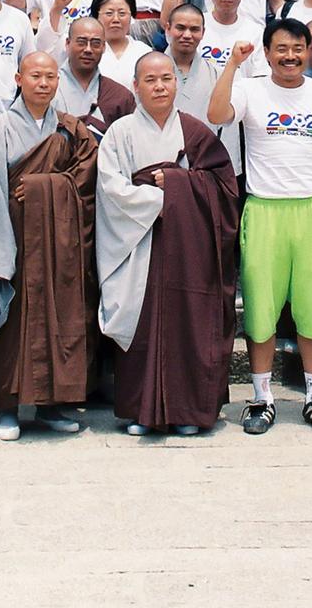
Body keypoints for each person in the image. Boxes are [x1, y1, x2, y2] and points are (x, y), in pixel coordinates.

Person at [0, 53, 100, 441]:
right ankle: (7, 409)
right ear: (19, 78)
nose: (44, 83)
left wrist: (41, 188)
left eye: (51, 76)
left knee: (59, 319)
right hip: (13, 242)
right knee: (12, 323)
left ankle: (53, 407)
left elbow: (85, 182)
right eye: (35, 75)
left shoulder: (71, 131)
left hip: (59, 246)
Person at [208, 19, 312, 436]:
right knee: (262, 313)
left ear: (308, 51)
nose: (290, 56)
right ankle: (261, 398)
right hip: (264, 210)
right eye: (281, 48)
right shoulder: (251, 89)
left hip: (310, 211)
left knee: (310, 311)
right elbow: (216, 114)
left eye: (298, 48)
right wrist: (233, 64)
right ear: (267, 53)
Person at [96, 51, 239, 436]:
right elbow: (112, 189)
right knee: (141, 325)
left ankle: (188, 412)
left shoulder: (194, 131)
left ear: (176, 84)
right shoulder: (120, 133)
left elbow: (224, 188)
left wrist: (175, 185)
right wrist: (168, 198)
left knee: (187, 325)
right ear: (135, 86)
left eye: (166, 79)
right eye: (150, 80)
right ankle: (141, 412)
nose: (159, 86)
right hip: (137, 242)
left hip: (189, 248)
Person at [52, 15, 136, 127]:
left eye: (95, 43)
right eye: (81, 42)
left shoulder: (119, 95)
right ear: (67, 43)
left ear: (104, 47)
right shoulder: (47, 87)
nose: (88, 49)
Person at [164, 2, 220, 119]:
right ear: (168, 29)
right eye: (181, 28)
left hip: (204, 137)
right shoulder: (149, 70)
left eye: (194, 29)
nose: (187, 35)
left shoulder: (215, 74)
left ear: (203, 32)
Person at [89, 0, 151, 88]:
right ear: (96, 17)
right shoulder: (88, 51)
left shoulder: (144, 52)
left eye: (122, 13)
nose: (116, 19)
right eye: (109, 13)